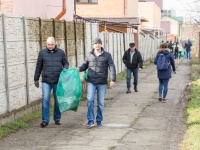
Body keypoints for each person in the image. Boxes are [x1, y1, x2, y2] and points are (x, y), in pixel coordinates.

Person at [78, 37, 116, 128]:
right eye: (95, 43)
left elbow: (112, 67)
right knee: (90, 99)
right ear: (93, 45)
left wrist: (113, 79)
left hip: (102, 82)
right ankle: (90, 121)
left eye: (99, 43)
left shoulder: (107, 55)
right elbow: (85, 65)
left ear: (101, 44)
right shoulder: (89, 55)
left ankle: (99, 120)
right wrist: (78, 69)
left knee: (100, 102)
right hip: (91, 81)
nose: (97, 45)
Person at [34, 37, 69, 128]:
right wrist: (36, 79)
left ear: (55, 43)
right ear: (46, 44)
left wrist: (65, 68)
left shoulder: (61, 52)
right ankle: (45, 120)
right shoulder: (42, 53)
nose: (50, 46)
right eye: (48, 44)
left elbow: (66, 63)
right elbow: (38, 66)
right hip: (46, 80)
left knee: (58, 100)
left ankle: (57, 119)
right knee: (45, 99)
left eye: (52, 45)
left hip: (58, 81)